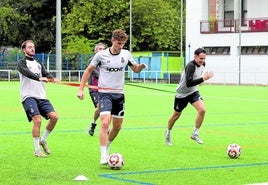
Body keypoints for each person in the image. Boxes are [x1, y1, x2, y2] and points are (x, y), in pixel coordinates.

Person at [77, 29, 147, 165]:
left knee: (117, 126)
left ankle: (107, 146)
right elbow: (88, 70)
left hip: (119, 94)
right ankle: (103, 155)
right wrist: (81, 89)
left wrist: (141, 67)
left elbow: (135, 69)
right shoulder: (101, 55)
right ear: (112, 40)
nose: (120, 46)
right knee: (104, 122)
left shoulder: (126, 54)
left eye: (122, 44)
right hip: (104, 93)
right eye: (118, 43)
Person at [17, 40, 58, 157]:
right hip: (28, 96)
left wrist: (52, 78)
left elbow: (46, 73)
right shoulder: (21, 63)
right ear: (24, 50)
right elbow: (26, 72)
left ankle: (43, 140)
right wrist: (39, 78)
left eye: (33, 47)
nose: (32, 49)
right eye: (29, 47)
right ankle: (37, 150)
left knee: (54, 117)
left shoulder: (38, 63)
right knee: (37, 120)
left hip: (41, 96)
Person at [164, 48, 214, 146]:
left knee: (202, 110)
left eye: (204, 58)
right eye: (200, 58)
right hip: (182, 94)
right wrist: (203, 79)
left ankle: (195, 133)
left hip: (193, 92)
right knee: (176, 116)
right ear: (195, 57)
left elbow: (196, 79)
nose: (202, 61)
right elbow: (189, 83)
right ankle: (168, 133)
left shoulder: (203, 64)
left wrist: (201, 81)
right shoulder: (190, 66)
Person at [87, 43, 105, 136]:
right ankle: (94, 124)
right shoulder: (92, 61)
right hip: (94, 89)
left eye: (103, 49)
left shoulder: (106, 61)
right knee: (99, 107)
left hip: (105, 89)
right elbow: (94, 72)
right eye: (100, 49)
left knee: (105, 109)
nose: (102, 50)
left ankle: (96, 125)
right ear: (95, 51)